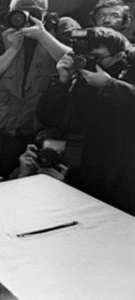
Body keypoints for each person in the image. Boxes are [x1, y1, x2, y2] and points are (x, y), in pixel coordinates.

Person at [36, 27, 135, 215]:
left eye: (96, 57)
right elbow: (46, 116)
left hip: (118, 175)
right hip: (79, 165)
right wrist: (62, 81)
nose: (88, 62)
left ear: (118, 56)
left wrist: (108, 85)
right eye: (84, 56)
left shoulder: (127, 78)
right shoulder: (80, 79)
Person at [0, 0, 76, 175]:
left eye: (33, 12)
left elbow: (74, 61)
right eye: (19, 12)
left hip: (41, 126)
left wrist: (43, 36)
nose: (25, 17)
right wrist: (13, 48)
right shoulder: (5, 30)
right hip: (6, 125)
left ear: (45, 12)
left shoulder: (61, 26)